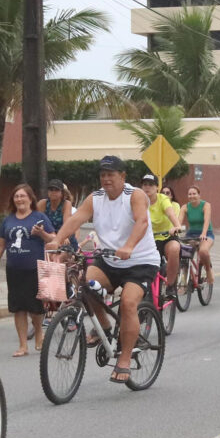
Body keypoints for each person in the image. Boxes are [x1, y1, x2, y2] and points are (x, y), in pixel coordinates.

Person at [47, 156, 159, 385]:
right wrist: (57, 240)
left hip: (140, 261)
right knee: (85, 285)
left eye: (111, 175)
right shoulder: (95, 198)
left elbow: (142, 222)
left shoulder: (135, 195)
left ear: (123, 176)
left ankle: (125, 359)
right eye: (102, 175)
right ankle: (105, 327)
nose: (106, 179)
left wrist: (128, 246)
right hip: (109, 259)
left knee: (128, 303)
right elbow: (76, 219)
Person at [0, 184, 52, 357]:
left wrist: (42, 234)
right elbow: (0, 245)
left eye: (22, 196)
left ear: (30, 198)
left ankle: (39, 331)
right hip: (14, 269)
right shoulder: (8, 220)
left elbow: (53, 238)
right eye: (16, 196)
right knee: (18, 308)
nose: (19, 199)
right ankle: (23, 345)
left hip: (34, 269)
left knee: (35, 308)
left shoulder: (39, 217)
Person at [142, 174, 181, 295]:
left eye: (151, 185)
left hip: (167, 236)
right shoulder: (139, 200)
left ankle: (170, 284)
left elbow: (171, 214)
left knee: (174, 249)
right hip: (148, 239)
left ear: (157, 187)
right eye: (145, 184)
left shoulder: (162, 199)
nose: (147, 187)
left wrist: (176, 226)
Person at [181, 184, 214, 286]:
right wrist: (176, 229)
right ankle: (184, 282)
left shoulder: (206, 205)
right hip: (191, 234)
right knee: (184, 254)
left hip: (206, 233)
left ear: (199, 195)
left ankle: (208, 270)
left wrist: (203, 233)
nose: (192, 196)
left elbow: (206, 220)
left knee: (203, 251)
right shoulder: (185, 207)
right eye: (189, 194)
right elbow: (179, 221)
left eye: (194, 194)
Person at [42, 179, 75, 248]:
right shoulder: (43, 203)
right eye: (51, 189)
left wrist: (64, 237)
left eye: (56, 190)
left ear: (62, 193)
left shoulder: (66, 204)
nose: (53, 192)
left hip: (63, 235)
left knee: (66, 246)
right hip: (46, 236)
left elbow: (67, 223)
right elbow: (35, 219)